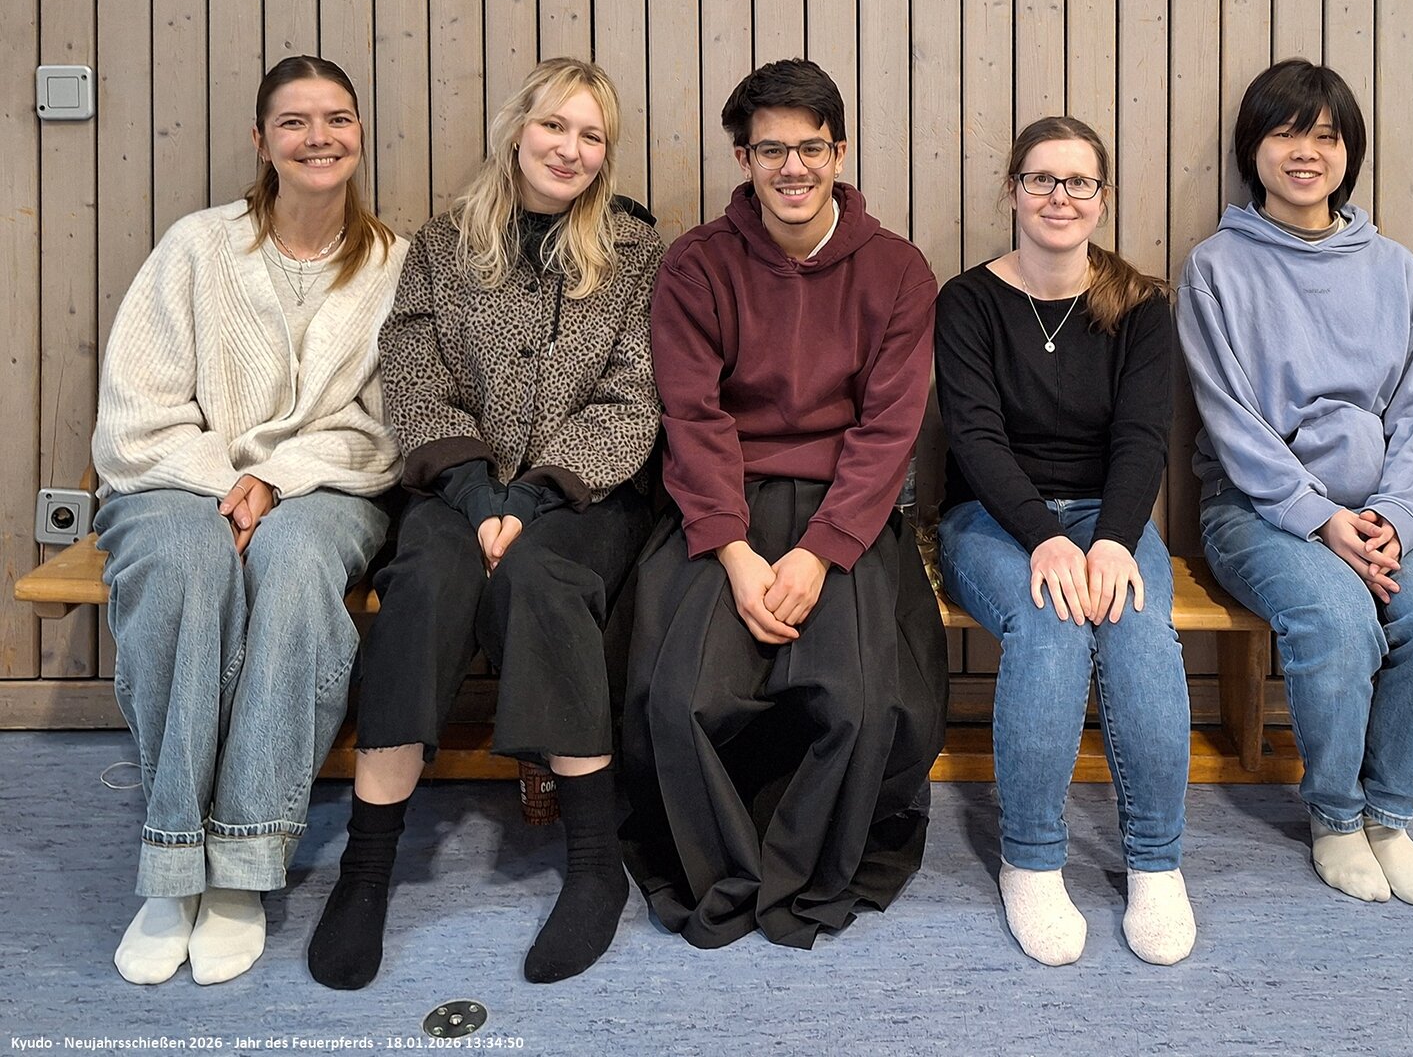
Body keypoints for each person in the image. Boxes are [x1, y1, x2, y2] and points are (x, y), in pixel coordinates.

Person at [305, 57, 663, 989]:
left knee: (545, 580)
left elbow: (634, 397)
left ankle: (595, 864)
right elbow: (413, 376)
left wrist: (533, 500)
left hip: (583, 494)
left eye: (591, 136)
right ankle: (367, 867)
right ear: (516, 130)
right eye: (554, 126)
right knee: (425, 581)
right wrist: (476, 497)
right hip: (456, 486)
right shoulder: (442, 244)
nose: (570, 150)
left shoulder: (635, 253)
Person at [620, 58, 947, 949]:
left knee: (863, 702)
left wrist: (818, 551)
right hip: (722, 502)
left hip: (846, 509)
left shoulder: (897, 270)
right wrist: (735, 553)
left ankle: (807, 870)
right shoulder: (697, 264)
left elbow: (889, 430)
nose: (793, 168)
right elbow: (692, 417)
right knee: (679, 695)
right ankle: (723, 871)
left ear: (839, 152)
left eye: (811, 148)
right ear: (744, 158)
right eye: (771, 150)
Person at [90, 55, 402, 985]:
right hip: (174, 478)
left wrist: (279, 478)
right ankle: (172, 864)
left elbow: (389, 425)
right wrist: (227, 483)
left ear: (359, 133)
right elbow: (135, 412)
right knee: (186, 566)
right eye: (295, 122)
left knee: (297, 567)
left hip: (329, 486)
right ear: (261, 141)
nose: (319, 138)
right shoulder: (196, 247)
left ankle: (243, 860)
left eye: (337, 118)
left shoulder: (393, 264)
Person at [1178, 59, 1413, 905]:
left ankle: (1389, 815)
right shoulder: (1215, 267)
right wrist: (1320, 518)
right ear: (1252, 149)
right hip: (1259, 509)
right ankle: (1337, 818)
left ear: (1350, 152)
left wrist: (1395, 517)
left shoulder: (1394, 268)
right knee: (1340, 623)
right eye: (1285, 133)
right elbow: (1231, 421)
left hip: (1388, 510)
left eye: (1325, 135)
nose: (1305, 152)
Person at [934, 116, 1196, 967]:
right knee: (1049, 622)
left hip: (1108, 515)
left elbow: (1143, 439)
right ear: (1011, 190)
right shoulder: (967, 301)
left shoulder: (1141, 304)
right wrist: (1044, 538)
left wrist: (1114, 540)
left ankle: (1156, 864)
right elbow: (975, 439)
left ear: (1102, 198)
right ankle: (1033, 862)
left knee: (1137, 625)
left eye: (1078, 181)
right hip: (991, 517)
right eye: (1041, 179)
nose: (1059, 196)